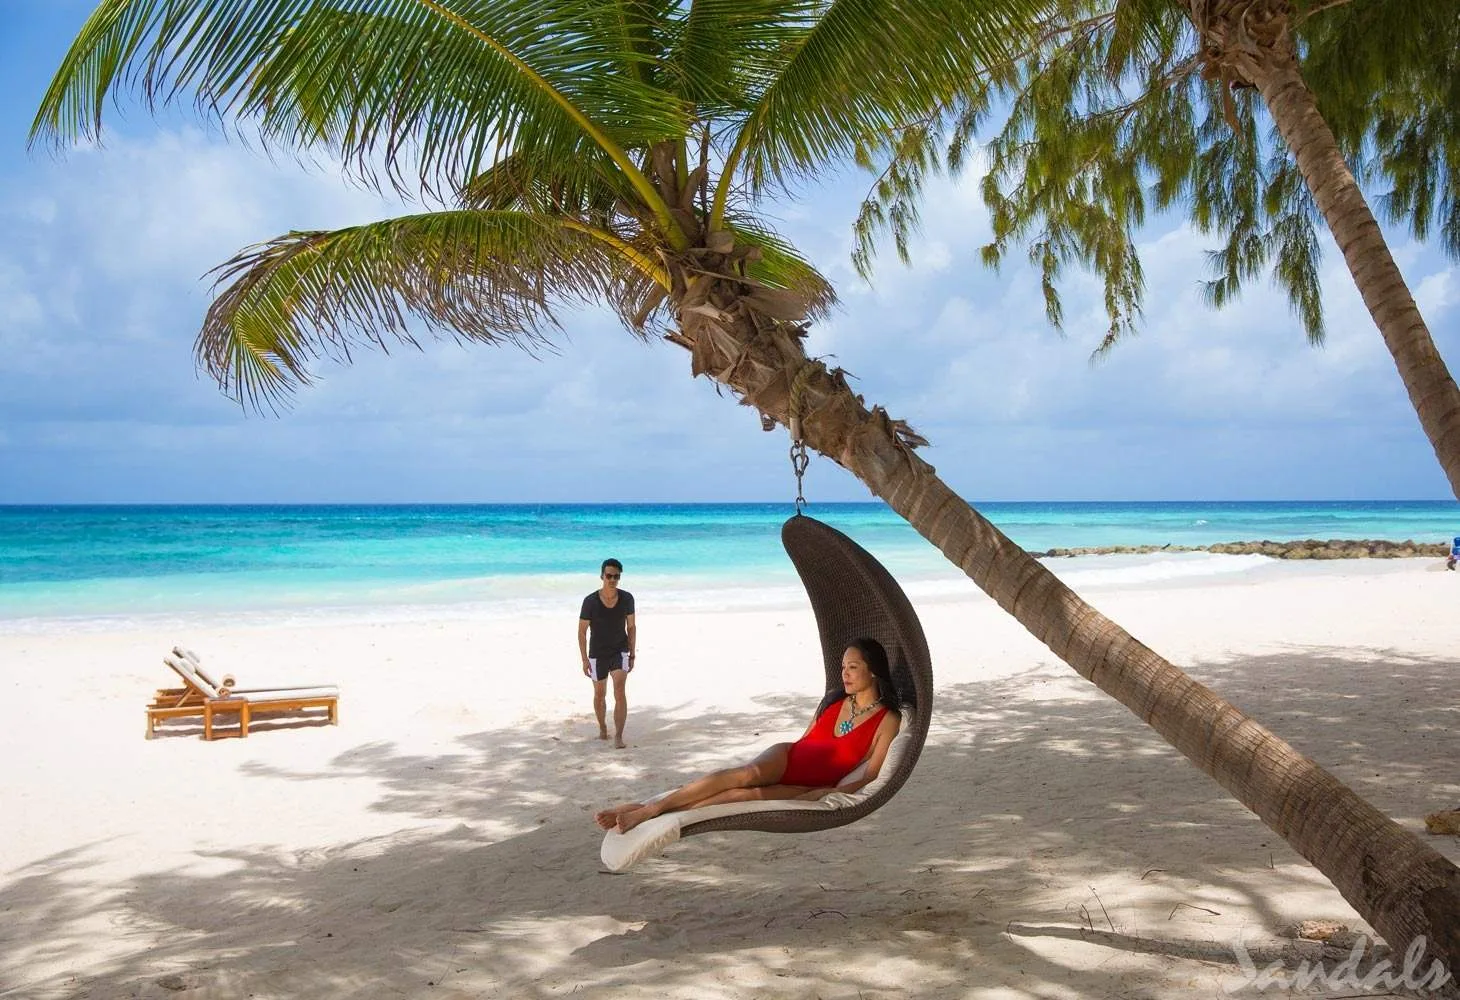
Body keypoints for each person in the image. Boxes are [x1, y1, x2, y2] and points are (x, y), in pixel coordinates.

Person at [594, 637, 901, 834]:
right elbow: (806, 740)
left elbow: (870, 776)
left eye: (853, 667)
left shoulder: (887, 719)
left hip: (809, 785)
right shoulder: (835, 700)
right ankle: (650, 809)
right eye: (843, 666)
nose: (844, 673)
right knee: (742, 774)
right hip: (786, 757)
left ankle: (648, 813)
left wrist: (825, 794)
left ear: (872, 671)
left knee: (739, 798)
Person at [579, 558, 636, 748]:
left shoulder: (627, 598)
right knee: (599, 694)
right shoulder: (590, 601)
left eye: (616, 576)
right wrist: (584, 659)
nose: (612, 579)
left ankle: (619, 736)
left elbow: (632, 626)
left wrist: (632, 653)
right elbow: (581, 631)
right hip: (597, 653)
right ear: (602, 576)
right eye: (609, 575)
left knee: (619, 690)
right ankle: (603, 728)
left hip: (620, 651)